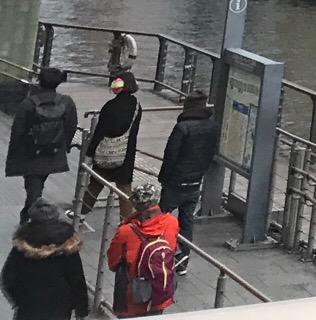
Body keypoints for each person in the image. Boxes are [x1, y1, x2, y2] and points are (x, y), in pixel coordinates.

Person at [154, 92, 214, 270]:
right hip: (195, 181)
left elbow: (170, 155)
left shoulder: (182, 128)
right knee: (187, 221)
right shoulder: (212, 126)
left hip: (176, 182)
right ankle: (182, 261)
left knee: (160, 218)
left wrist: (164, 178)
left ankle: (158, 255)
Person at [2, 199, 89, 320]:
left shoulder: (23, 243)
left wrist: (19, 300)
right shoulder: (66, 243)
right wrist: (81, 308)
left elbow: (8, 277)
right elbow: (76, 278)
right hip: (60, 307)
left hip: (29, 307)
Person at [6, 70, 76, 207]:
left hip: (31, 155)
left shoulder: (28, 104)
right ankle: (30, 216)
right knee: (37, 185)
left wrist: (16, 157)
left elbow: (17, 131)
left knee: (33, 189)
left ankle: (31, 219)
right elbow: (71, 127)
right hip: (54, 154)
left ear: (39, 81)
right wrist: (64, 147)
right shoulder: (66, 102)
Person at [103, 193, 176, 316]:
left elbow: (113, 261)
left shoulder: (126, 231)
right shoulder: (171, 222)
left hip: (132, 295)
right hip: (160, 291)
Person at [79, 76, 141, 211]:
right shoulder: (136, 106)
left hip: (105, 152)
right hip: (126, 153)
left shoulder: (110, 106)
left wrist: (89, 153)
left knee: (95, 184)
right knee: (124, 190)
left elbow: (99, 132)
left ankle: (81, 214)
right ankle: (126, 222)